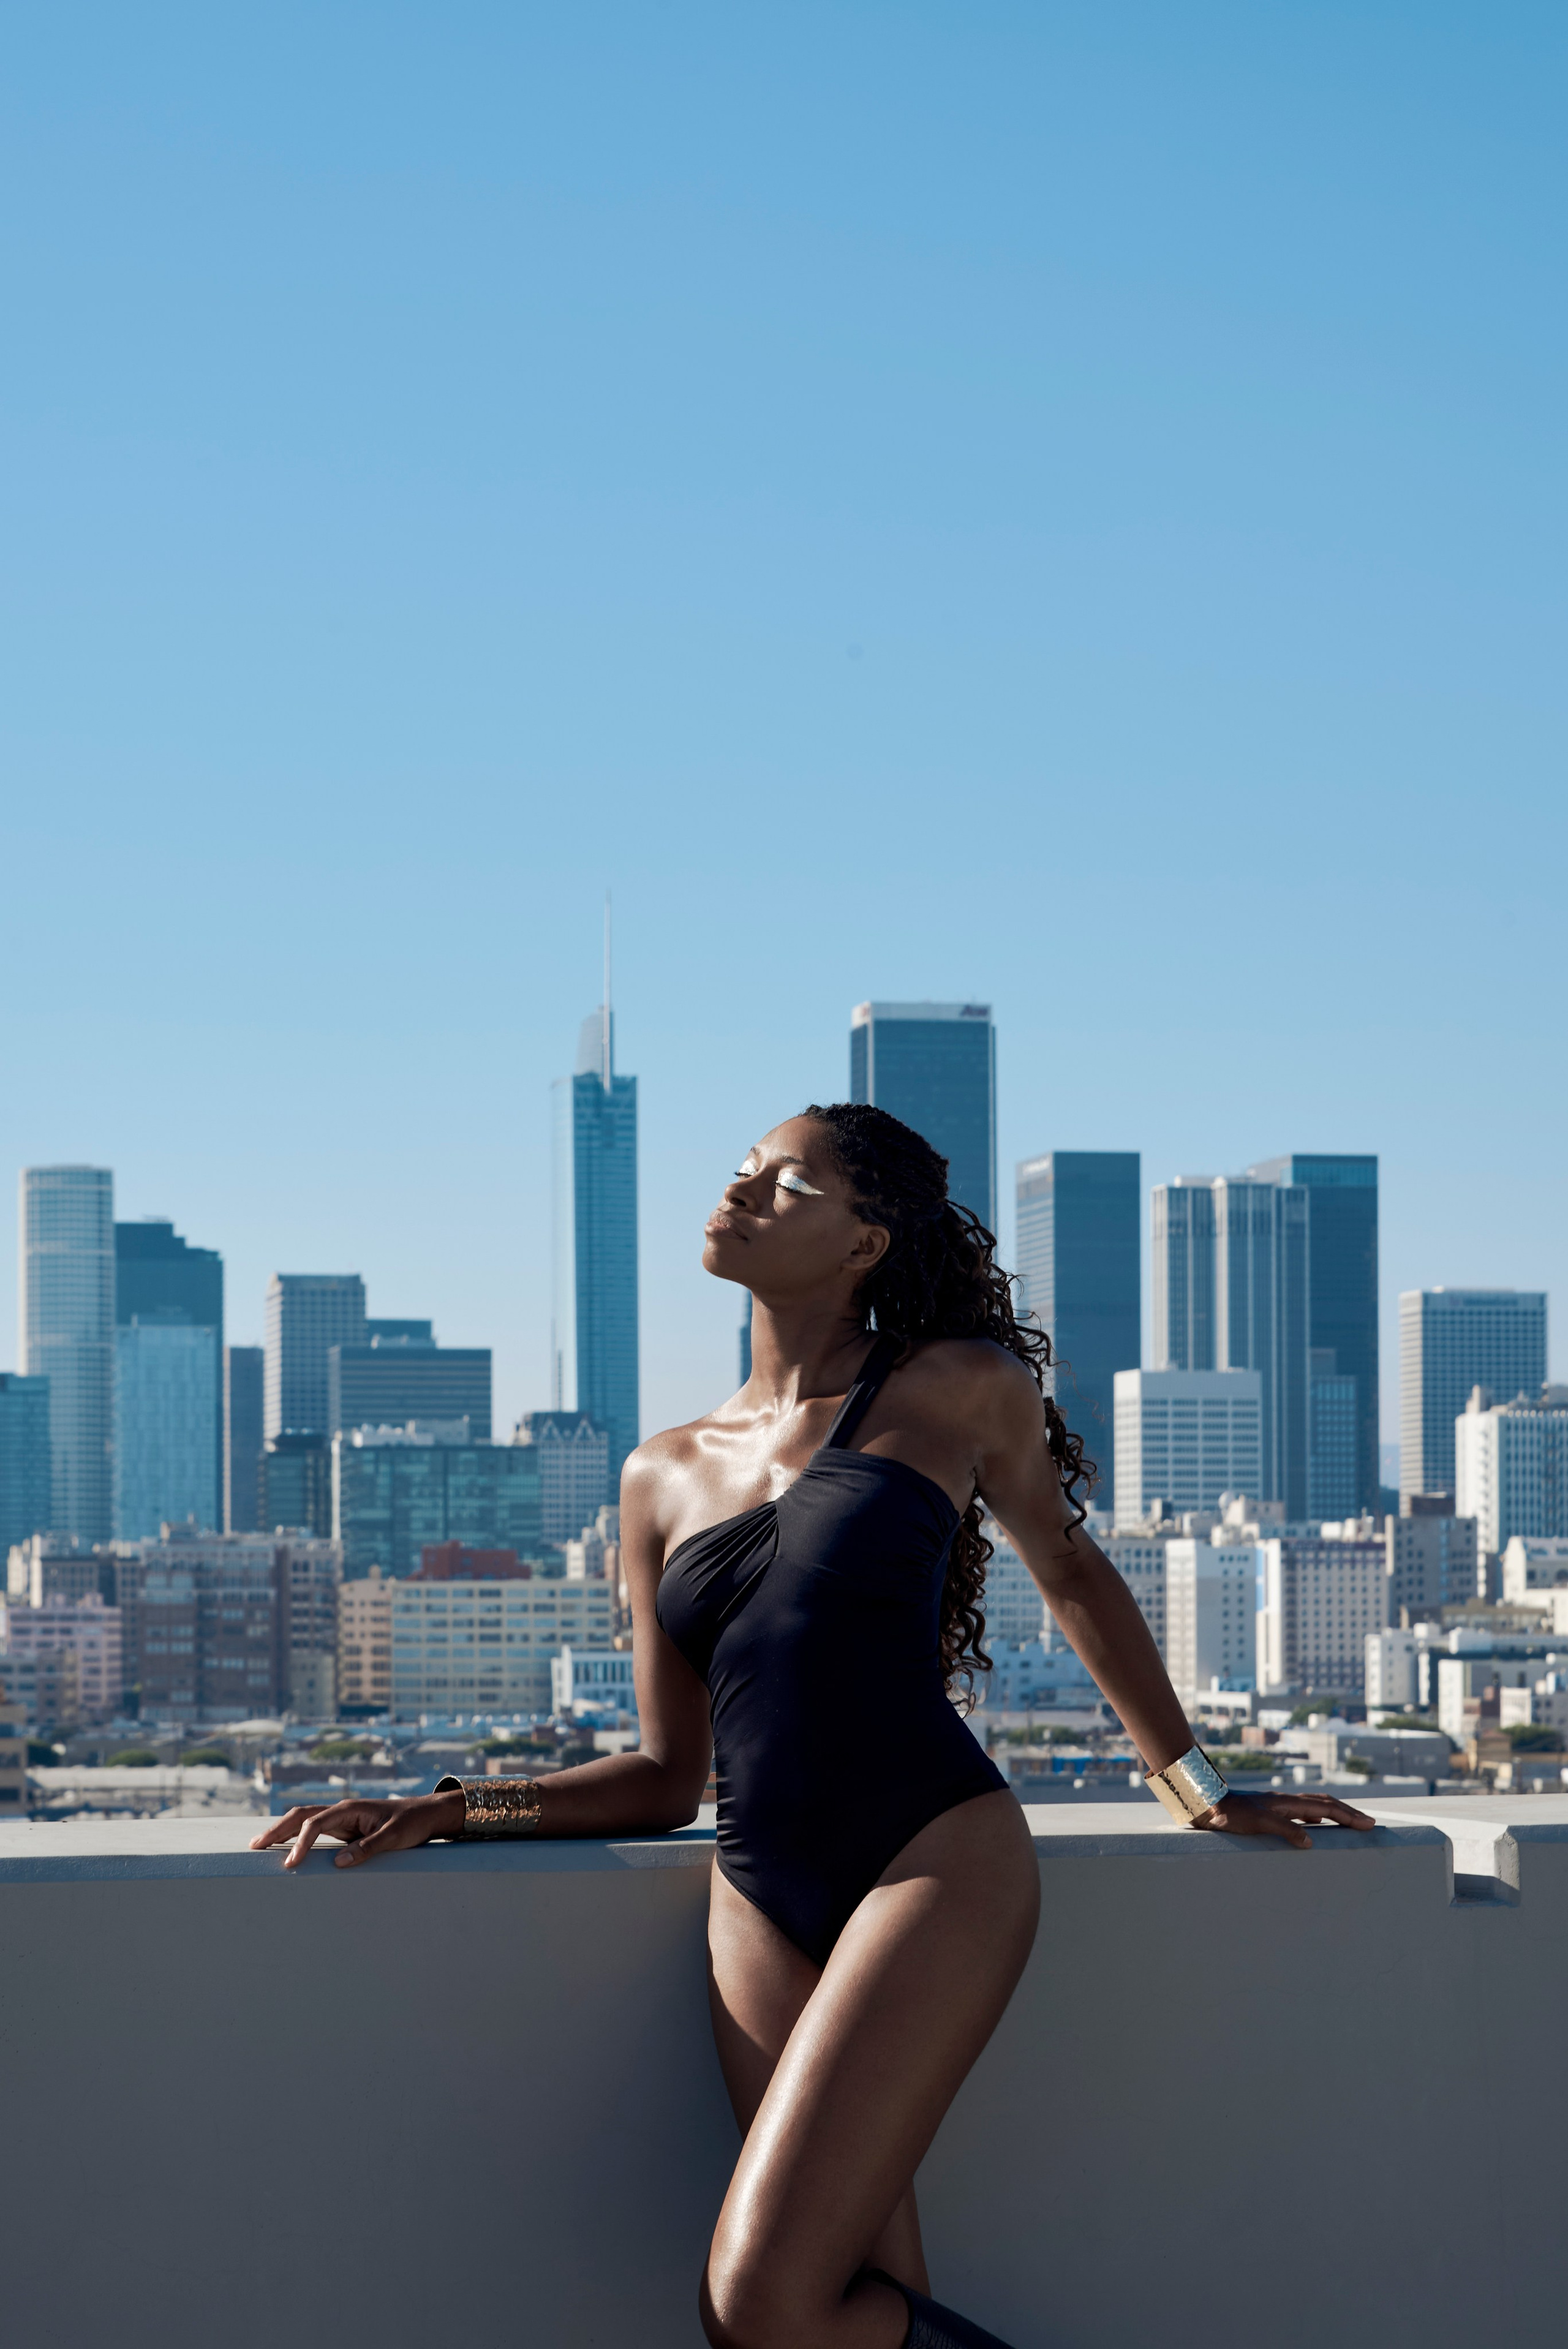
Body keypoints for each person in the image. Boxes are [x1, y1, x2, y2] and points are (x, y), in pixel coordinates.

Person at [253, 1103, 1374, 2348]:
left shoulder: (958, 1387)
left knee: (761, 2304)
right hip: (755, 1893)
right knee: (854, 2299)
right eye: (743, 1171)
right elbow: (666, 1776)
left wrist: (1196, 1784)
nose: (741, 1192)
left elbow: (1070, 1573)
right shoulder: (657, 1473)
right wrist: (456, 1810)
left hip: (930, 1857)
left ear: (863, 1242)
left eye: (786, 1185)